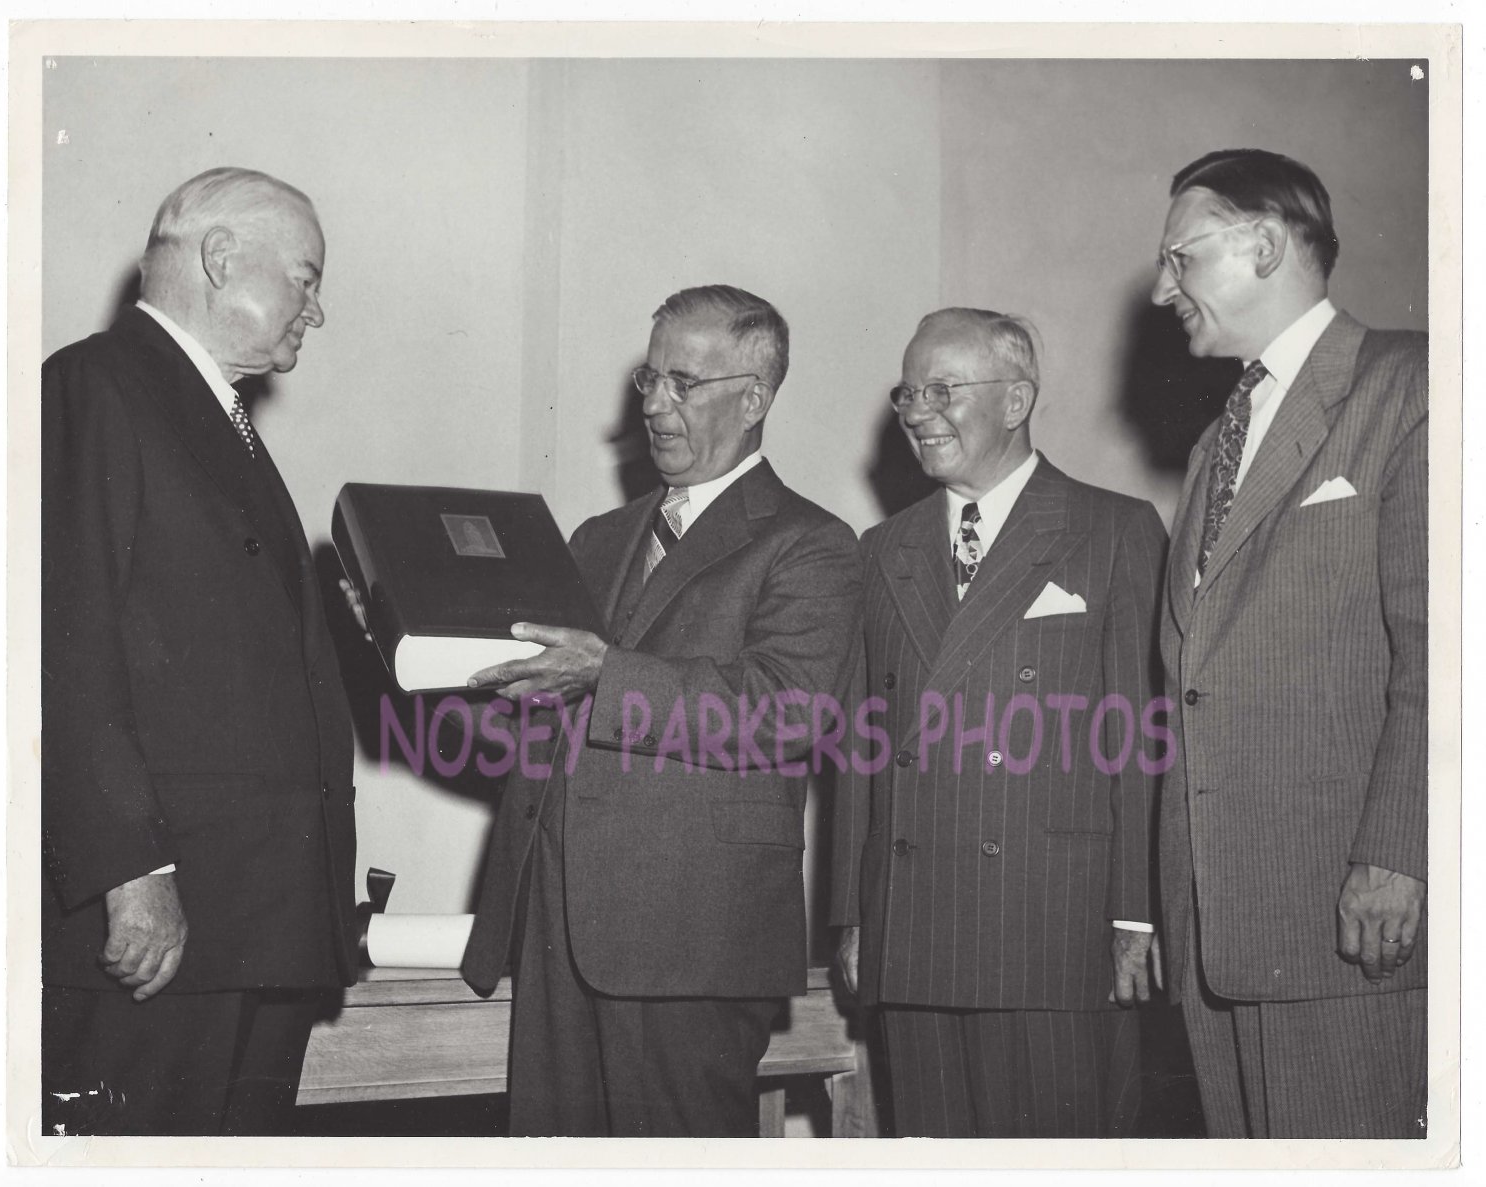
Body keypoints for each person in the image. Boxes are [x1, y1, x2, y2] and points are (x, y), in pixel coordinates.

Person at [457, 284, 860, 1137]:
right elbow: (529, 726)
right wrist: (410, 648)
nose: (655, 405)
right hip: (557, 930)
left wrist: (605, 676)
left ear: (755, 398)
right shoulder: (598, 538)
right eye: (649, 379)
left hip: (690, 943)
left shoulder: (809, 542)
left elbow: (786, 712)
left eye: (685, 383)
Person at [41, 167, 356, 1135]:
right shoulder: (97, 385)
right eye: (304, 277)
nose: (318, 308)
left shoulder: (209, 413)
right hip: (170, 921)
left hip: (251, 918)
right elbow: (67, 648)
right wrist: (130, 872)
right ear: (222, 258)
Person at [832, 307, 1168, 1137]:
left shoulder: (1115, 530)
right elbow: (859, 746)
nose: (915, 411)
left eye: (942, 389)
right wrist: (854, 912)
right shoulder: (882, 549)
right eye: (908, 391)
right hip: (911, 927)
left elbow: (1140, 737)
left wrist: (1136, 914)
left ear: (1016, 399)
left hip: (1055, 924)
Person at [1152, 148, 1427, 1138]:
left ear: (1264, 243)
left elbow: (1447, 652)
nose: (1160, 287)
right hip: (1220, 926)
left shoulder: (1415, 385)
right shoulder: (1216, 438)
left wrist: (1402, 851)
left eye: (1181, 259)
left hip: (1347, 907)